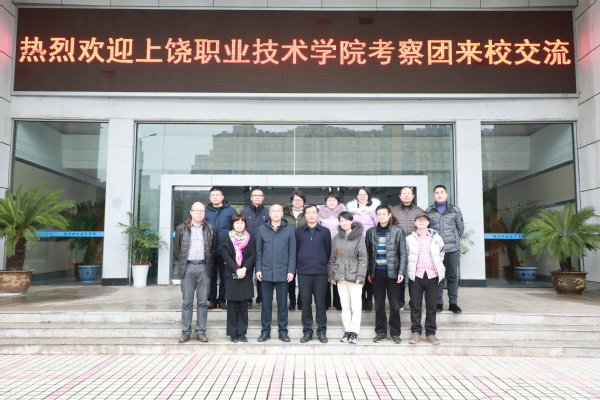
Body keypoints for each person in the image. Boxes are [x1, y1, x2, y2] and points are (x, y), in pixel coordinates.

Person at [174, 202, 218, 343]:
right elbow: (178, 248)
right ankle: (186, 332)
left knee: (203, 302)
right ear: (191, 212)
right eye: (196, 210)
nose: (199, 213)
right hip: (188, 267)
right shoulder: (181, 228)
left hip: (204, 267)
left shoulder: (211, 228)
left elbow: (213, 247)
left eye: (202, 211)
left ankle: (200, 331)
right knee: (187, 301)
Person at [366, 205, 407, 344]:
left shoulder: (398, 231)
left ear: (389, 215)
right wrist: (369, 272)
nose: (381, 216)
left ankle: (395, 333)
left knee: (394, 305)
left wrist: (401, 272)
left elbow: (403, 253)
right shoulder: (371, 232)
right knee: (379, 305)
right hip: (377, 273)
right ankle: (381, 332)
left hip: (393, 273)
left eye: (384, 214)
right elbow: (368, 254)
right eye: (379, 214)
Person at [255, 204, 296, 342]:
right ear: (269, 213)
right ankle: (265, 331)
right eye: (274, 211)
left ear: (282, 213)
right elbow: (258, 251)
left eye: (279, 211)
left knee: (282, 304)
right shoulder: (262, 229)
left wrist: (291, 271)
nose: (276, 213)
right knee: (266, 305)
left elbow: (292, 253)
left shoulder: (289, 229)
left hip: (283, 273)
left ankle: (283, 331)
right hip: (265, 272)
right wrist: (258, 269)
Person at [406, 213, 446, 345]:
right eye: (418, 220)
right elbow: (406, 255)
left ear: (428, 222)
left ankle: (431, 333)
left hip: (432, 276)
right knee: (415, 306)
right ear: (415, 223)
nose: (421, 222)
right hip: (416, 276)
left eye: (424, 220)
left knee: (431, 306)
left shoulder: (437, 238)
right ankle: (416, 332)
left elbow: (441, 254)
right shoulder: (409, 239)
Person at [329, 211, 368, 344]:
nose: (344, 223)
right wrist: (332, 275)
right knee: (345, 306)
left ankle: (354, 332)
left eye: (346, 220)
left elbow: (363, 258)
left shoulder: (359, 238)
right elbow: (333, 258)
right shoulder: (336, 238)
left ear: (351, 221)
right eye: (342, 221)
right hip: (340, 277)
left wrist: (360, 275)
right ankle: (347, 330)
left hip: (354, 276)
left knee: (356, 306)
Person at [425, 185, 464, 314]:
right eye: (437, 193)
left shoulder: (455, 210)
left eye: (442, 192)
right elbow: (426, 229)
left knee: (452, 276)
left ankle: (453, 303)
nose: (439, 194)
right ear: (433, 195)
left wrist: (452, 239)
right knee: (437, 276)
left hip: (451, 249)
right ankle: (439, 302)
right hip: (435, 250)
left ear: (446, 195)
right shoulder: (429, 211)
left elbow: (460, 228)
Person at [296, 204, 332, 343]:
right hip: (303, 272)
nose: (311, 215)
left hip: (320, 272)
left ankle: (322, 331)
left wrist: (321, 263)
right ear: (305, 215)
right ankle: (307, 331)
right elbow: (296, 250)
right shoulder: (299, 232)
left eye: (313, 212)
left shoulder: (325, 231)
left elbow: (328, 251)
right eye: (308, 213)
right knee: (305, 303)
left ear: (318, 215)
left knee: (320, 303)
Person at [221, 214, 256, 343]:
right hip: (231, 276)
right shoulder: (228, 238)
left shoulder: (250, 238)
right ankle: (232, 333)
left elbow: (253, 255)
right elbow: (226, 255)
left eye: (242, 222)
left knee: (243, 307)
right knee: (231, 307)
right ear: (233, 225)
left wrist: (244, 268)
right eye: (237, 222)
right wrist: (236, 269)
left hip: (245, 276)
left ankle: (242, 333)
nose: (240, 225)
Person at [346, 187, 380, 311]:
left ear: (368, 196)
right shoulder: (352, 210)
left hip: (369, 243)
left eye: (364, 194)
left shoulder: (373, 210)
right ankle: (360, 299)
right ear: (357, 196)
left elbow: (377, 226)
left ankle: (369, 299)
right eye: (360, 194)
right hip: (355, 244)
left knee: (368, 271)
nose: (362, 196)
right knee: (358, 271)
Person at [390, 186, 424, 311]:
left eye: (408, 193)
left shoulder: (419, 211)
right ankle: (400, 302)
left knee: (415, 277)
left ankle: (415, 302)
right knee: (399, 276)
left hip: (415, 247)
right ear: (400, 196)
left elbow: (423, 227)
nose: (406, 195)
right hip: (398, 247)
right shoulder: (393, 210)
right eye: (403, 193)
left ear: (413, 196)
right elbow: (389, 228)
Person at [205, 186, 237, 310]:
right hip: (210, 249)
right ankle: (212, 300)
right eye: (213, 195)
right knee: (211, 276)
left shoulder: (231, 211)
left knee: (225, 276)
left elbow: (236, 228)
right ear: (210, 198)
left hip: (226, 249)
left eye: (217, 195)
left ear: (222, 197)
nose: (215, 197)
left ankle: (222, 300)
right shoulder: (206, 211)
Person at [240, 187, 270, 310]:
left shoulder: (268, 212)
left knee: (262, 275)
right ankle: (247, 299)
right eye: (255, 195)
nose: (257, 197)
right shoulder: (243, 212)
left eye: (260, 195)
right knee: (247, 275)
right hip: (247, 248)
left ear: (263, 198)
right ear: (251, 198)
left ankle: (261, 299)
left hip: (264, 248)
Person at [318, 191, 346, 311]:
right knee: (325, 273)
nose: (331, 202)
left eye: (333, 199)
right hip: (323, 246)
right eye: (329, 200)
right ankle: (326, 302)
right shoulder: (320, 214)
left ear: (338, 201)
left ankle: (338, 302)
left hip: (339, 246)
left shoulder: (343, 213)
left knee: (338, 272)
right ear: (325, 201)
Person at [283, 190, 307, 311]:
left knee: (303, 276)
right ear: (291, 201)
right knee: (290, 276)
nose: (297, 202)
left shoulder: (307, 213)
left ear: (304, 201)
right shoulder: (285, 214)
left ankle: (301, 300)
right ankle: (292, 300)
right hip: (288, 248)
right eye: (295, 200)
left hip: (304, 248)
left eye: (300, 200)